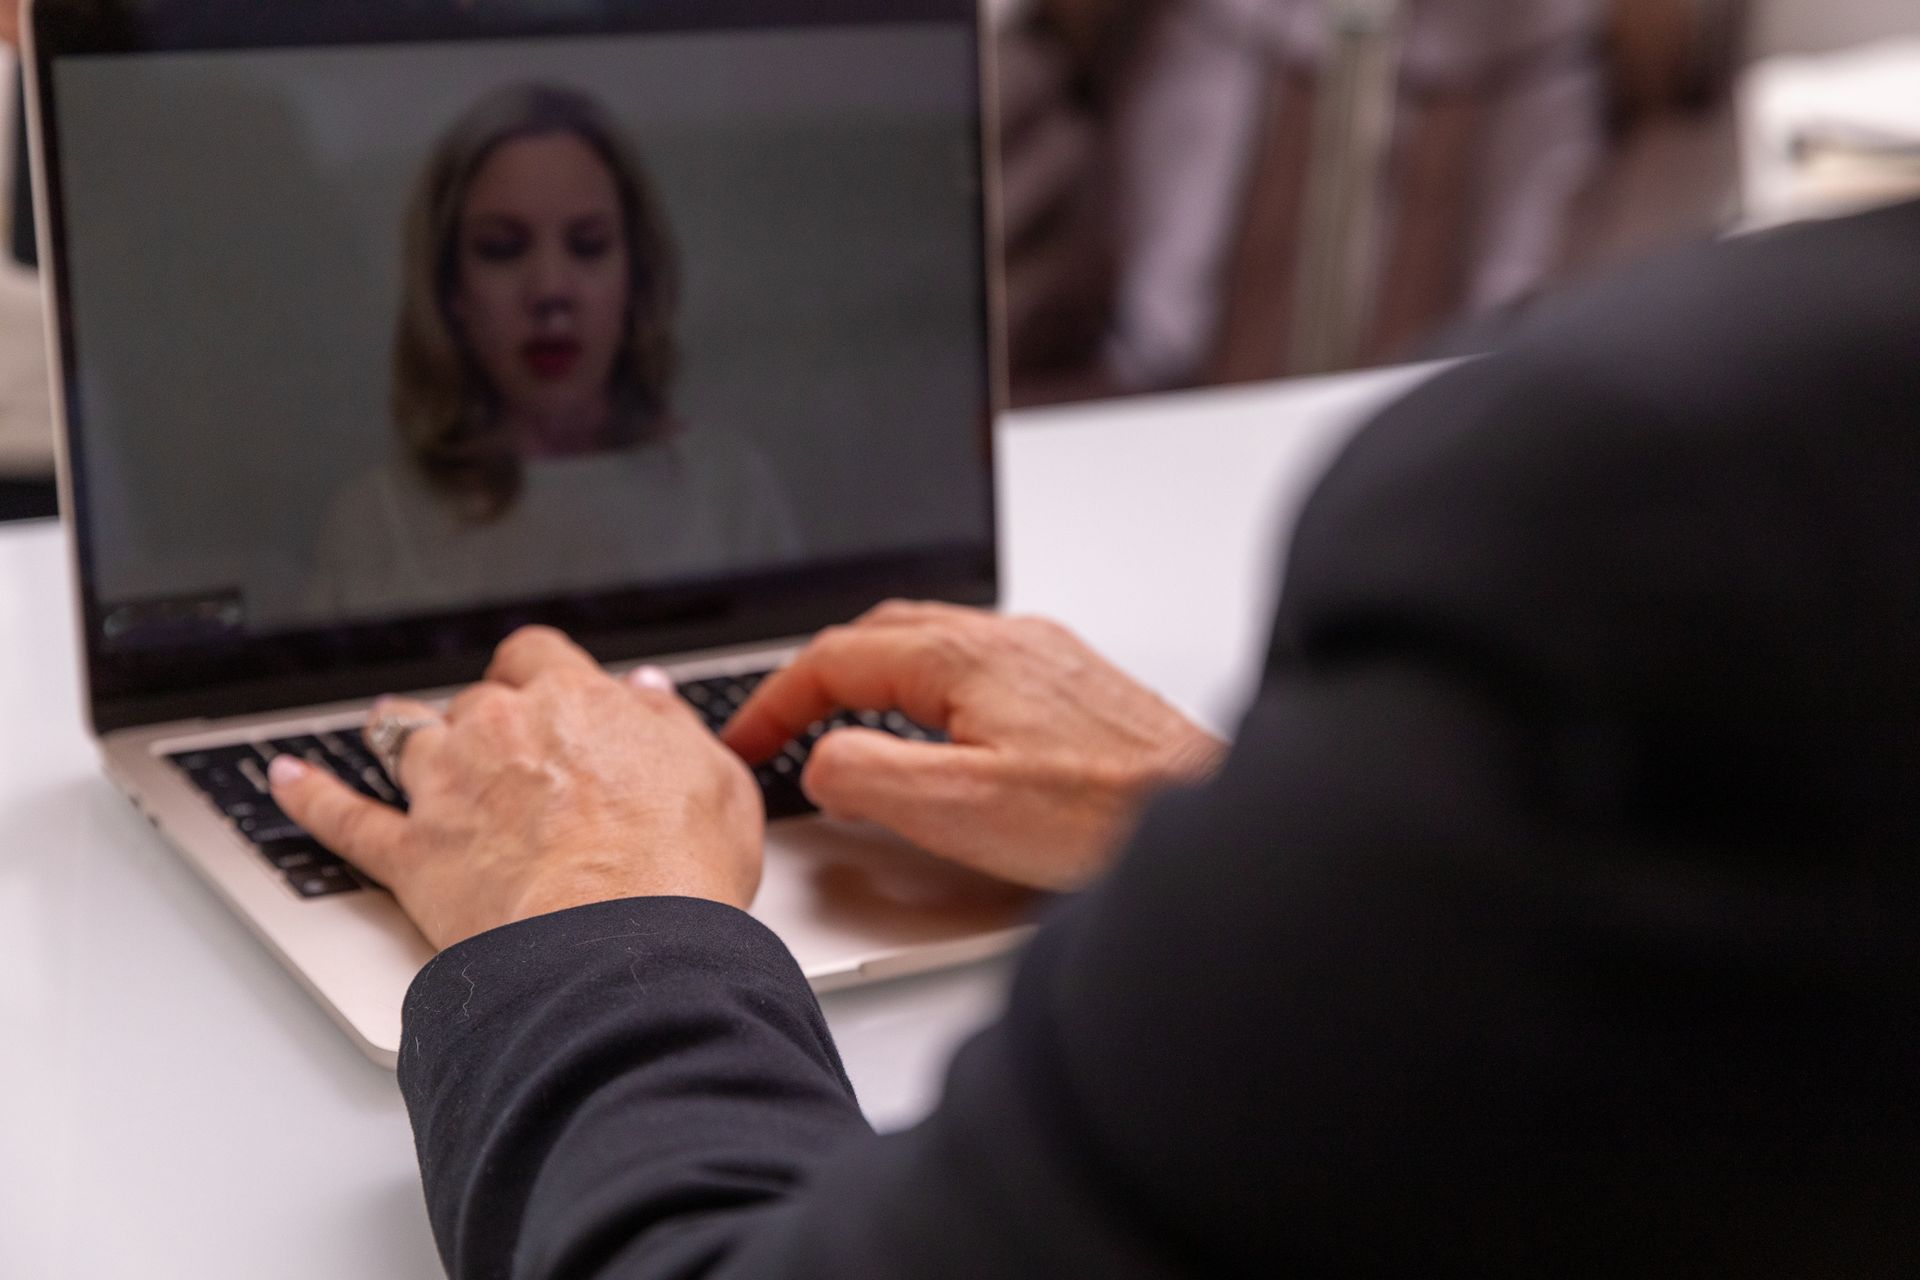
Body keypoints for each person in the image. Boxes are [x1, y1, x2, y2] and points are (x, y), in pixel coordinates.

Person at [269, 193, 1920, 1275]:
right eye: (497, 243)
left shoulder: (1683, 498)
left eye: (587, 238)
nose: (550, 279)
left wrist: (593, 916)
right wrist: (1261, 827)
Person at [307, 83, 800, 620]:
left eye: (588, 246)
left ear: (634, 275)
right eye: (502, 249)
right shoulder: (376, 523)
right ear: (451, 289)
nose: (550, 291)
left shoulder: (727, 491)